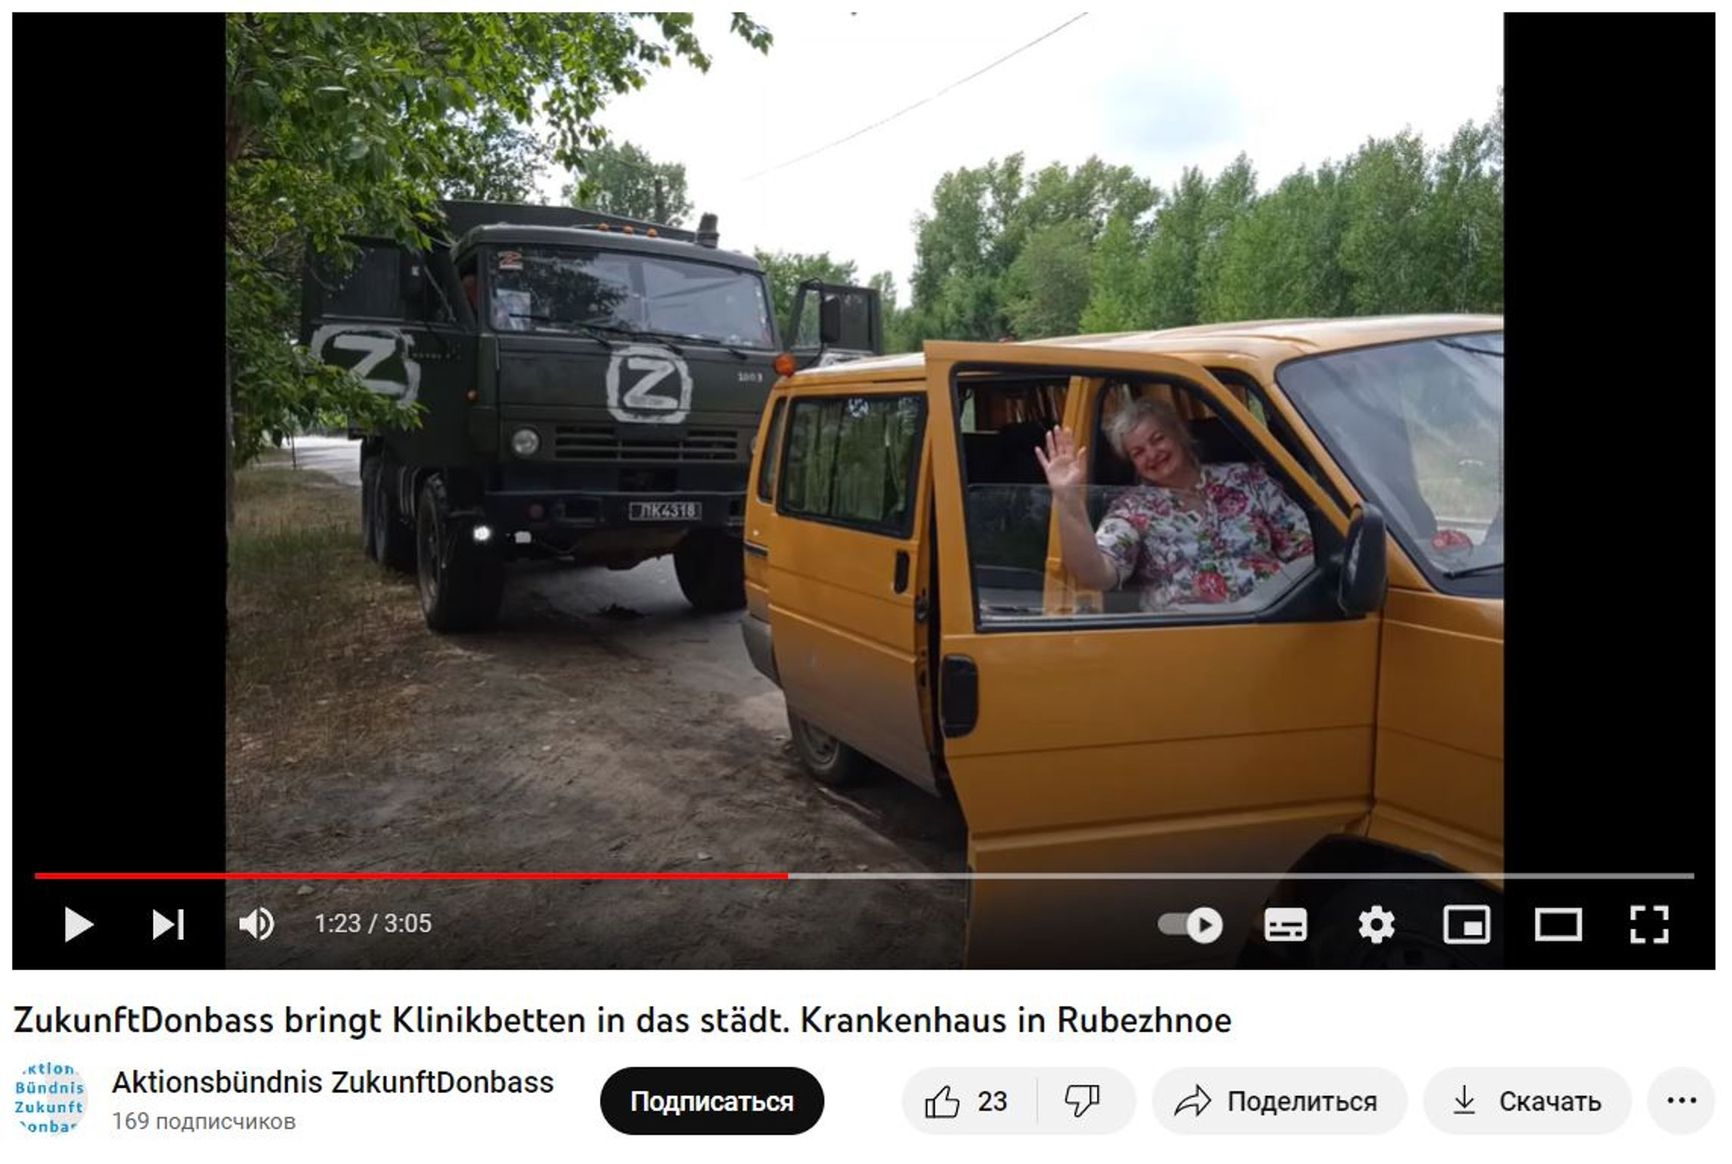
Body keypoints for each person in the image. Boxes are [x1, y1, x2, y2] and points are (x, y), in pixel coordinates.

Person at [1034, 395, 1313, 611]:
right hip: (1186, 639)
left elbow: (1306, 549)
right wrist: (1067, 497)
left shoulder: (1247, 478)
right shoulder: (1132, 509)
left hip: (1274, 619)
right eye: (1138, 452)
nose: (1152, 454)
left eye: (1158, 439)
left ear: (1179, 434)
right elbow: (1096, 574)